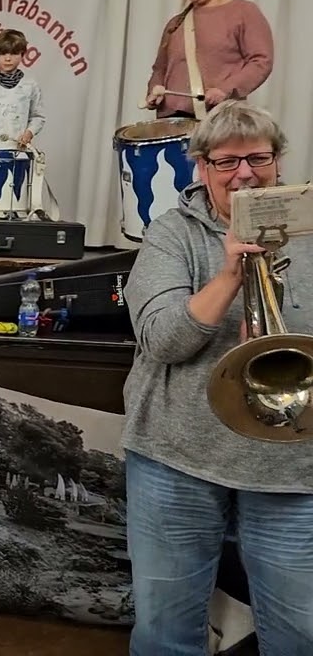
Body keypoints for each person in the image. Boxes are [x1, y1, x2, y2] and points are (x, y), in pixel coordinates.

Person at [122, 101, 313, 655]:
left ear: (278, 161)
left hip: (292, 465)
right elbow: (164, 341)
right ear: (201, 168)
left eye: (258, 158)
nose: (245, 174)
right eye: (226, 163)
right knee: (165, 629)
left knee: (300, 632)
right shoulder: (170, 235)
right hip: (175, 457)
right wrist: (232, 272)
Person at [143, 0, 273, 120]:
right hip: (172, 121)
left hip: (221, 117)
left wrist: (225, 90)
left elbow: (260, 61)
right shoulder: (176, 23)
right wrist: (155, 89)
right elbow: (160, 68)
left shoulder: (244, 11)